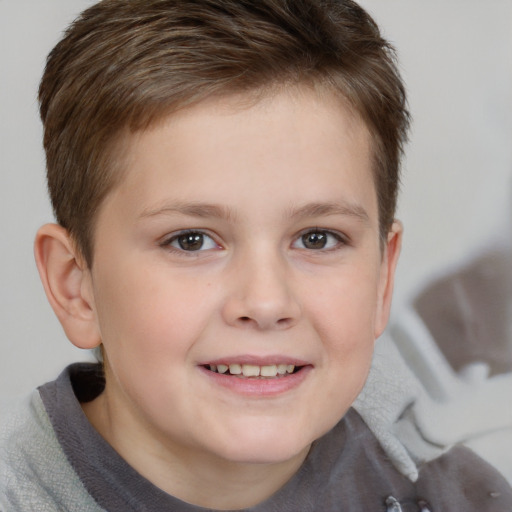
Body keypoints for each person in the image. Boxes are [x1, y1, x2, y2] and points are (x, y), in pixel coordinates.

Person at [0, 0, 510, 510]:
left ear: (381, 277)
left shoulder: (457, 496)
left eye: (317, 238)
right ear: (76, 287)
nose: (266, 303)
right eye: (191, 241)